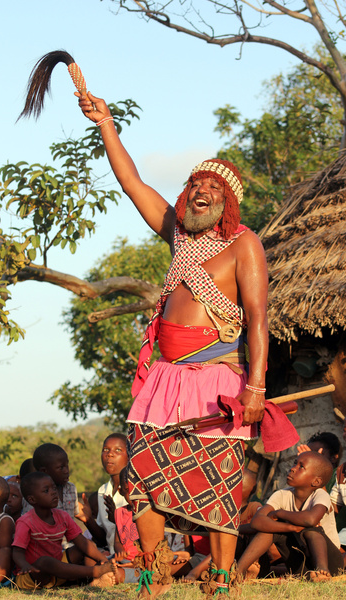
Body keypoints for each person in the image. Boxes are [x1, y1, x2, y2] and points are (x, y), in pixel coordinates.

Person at [78, 92, 269, 597]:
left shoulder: (244, 243)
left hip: (219, 375)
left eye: (213, 187)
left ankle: (223, 581)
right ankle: (156, 572)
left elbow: (258, 321)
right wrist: (107, 125)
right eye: (195, 184)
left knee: (219, 480)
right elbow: (131, 181)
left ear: (228, 202)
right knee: (140, 473)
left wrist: (256, 386)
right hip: (163, 377)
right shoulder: (178, 236)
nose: (202, 191)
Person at [236, 452, 343, 582]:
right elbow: (257, 522)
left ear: (316, 481)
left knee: (311, 529)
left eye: (301, 467)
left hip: (330, 561)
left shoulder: (320, 495)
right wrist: (290, 527)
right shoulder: (281, 494)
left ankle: (322, 572)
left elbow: (310, 519)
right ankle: (238, 571)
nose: (292, 468)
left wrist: (279, 513)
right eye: (295, 463)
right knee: (270, 529)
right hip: (301, 565)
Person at [12, 472, 117, 589]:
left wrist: (103, 559)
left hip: (58, 569)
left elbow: (82, 542)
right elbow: (17, 552)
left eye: (54, 488)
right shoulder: (25, 522)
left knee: (86, 547)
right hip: (35, 575)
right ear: (32, 499)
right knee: (45, 561)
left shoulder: (62, 516)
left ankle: (95, 579)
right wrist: (25, 565)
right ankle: (95, 572)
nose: (53, 492)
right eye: (46, 491)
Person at [77, 433, 129, 554]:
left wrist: (118, 520)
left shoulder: (135, 489)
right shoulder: (103, 491)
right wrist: (88, 519)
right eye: (106, 449)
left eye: (118, 450)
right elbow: (103, 540)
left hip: (132, 556)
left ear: (129, 455)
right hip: (111, 554)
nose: (110, 454)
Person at [22, 443, 80, 526]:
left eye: (67, 465)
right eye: (61, 467)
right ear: (44, 471)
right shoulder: (34, 493)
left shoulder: (71, 488)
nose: (67, 471)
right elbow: (28, 525)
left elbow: (73, 519)